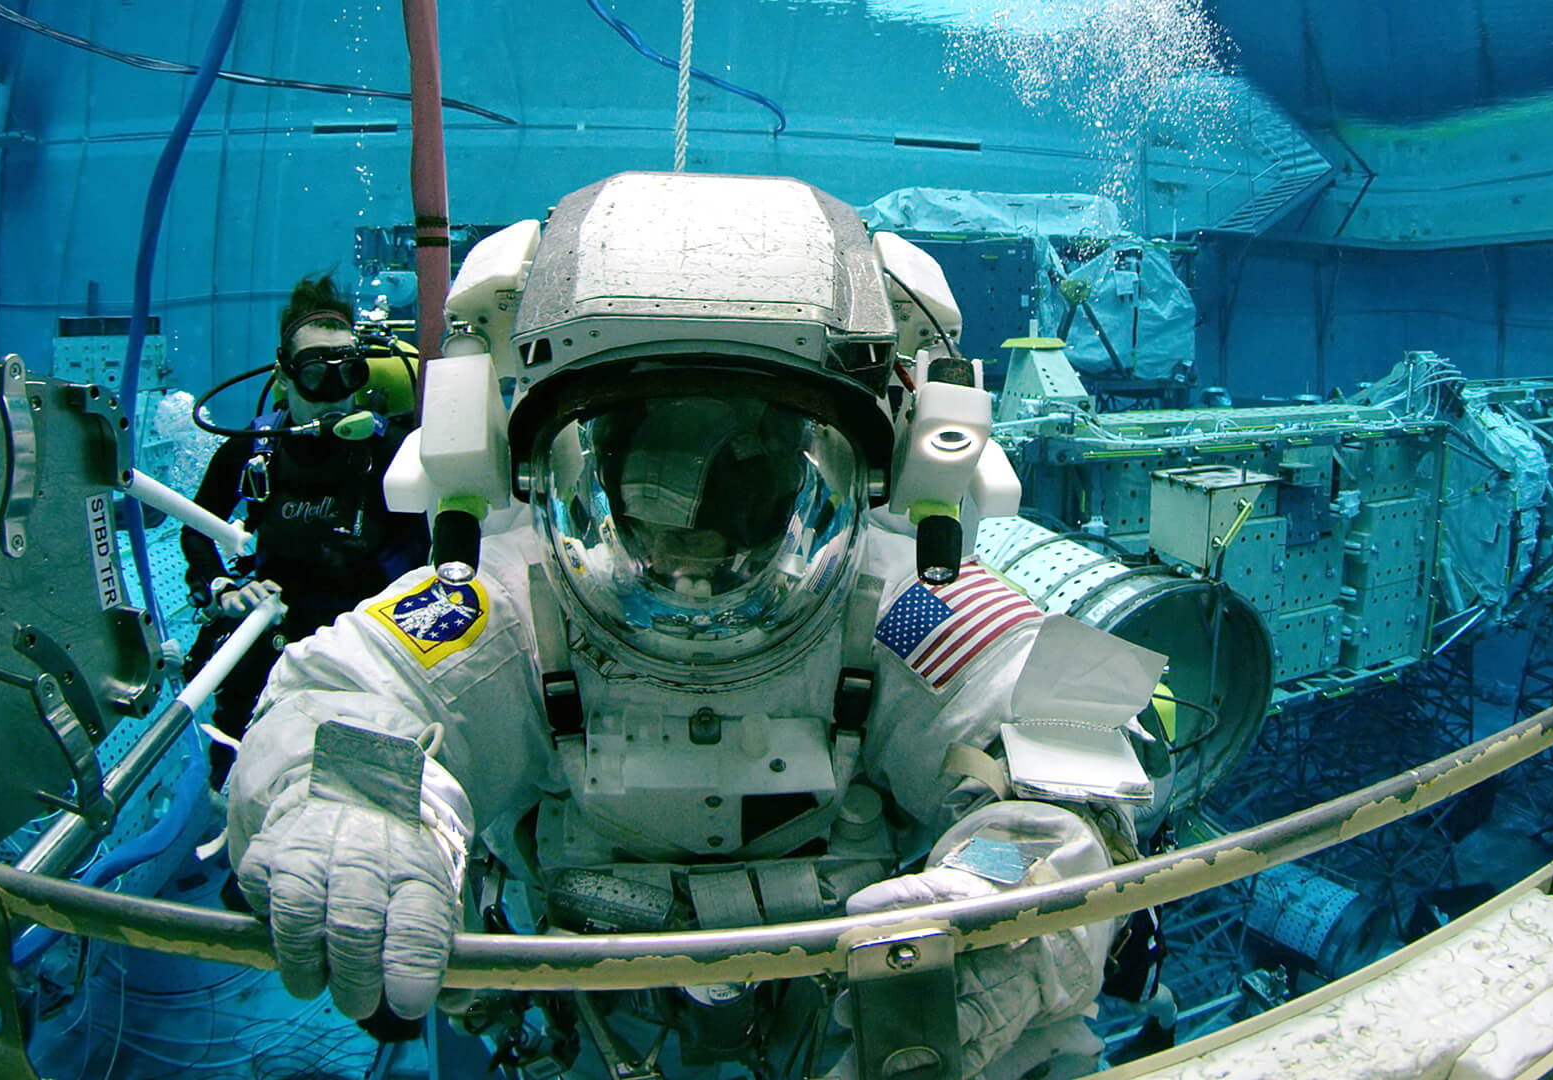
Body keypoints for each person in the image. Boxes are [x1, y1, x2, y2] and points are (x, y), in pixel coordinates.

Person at [226, 174, 1143, 1078]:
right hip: (582, 1027)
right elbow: (346, 698)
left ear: (875, 475)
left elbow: (1071, 753)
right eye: (646, 464)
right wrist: (358, 810)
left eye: (747, 472)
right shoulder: (514, 597)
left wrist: (1001, 897)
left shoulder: (897, 600)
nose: (695, 541)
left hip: (864, 1026)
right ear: (533, 470)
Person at [181, 273, 429, 784]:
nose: (335, 396)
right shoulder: (253, 451)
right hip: (272, 630)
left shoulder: (393, 451)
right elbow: (196, 527)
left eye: (349, 373)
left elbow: (428, 548)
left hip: (365, 642)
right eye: (317, 375)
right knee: (236, 776)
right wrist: (221, 587)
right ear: (284, 374)